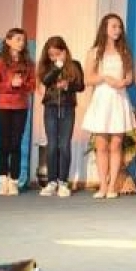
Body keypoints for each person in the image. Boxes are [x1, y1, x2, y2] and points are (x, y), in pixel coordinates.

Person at [82, 14, 136, 199]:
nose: (117, 30)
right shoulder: (94, 52)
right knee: (101, 144)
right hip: (102, 99)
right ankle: (103, 185)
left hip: (118, 99)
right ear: (104, 28)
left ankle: (113, 185)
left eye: (119, 27)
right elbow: (88, 79)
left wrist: (123, 82)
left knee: (116, 143)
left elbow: (130, 77)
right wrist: (105, 78)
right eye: (114, 26)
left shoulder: (125, 52)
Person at [37, 36, 85, 197]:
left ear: (64, 51)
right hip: (50, 107)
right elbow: (46, 80)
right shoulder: (46, 66)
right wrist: (57, 66)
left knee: (64, 145)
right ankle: (51, 182)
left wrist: (67, 86)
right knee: (52, 144)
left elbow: (81, 86)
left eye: (57, 54)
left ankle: (63, 182)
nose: (54, 57)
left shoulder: (75, 65)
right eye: (51, 55)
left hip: (67, 107)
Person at [0, 28, 36, 196]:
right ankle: (2, 179)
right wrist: (10, 84)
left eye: (23, 40)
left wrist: (22, 84)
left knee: (16, 143)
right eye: (18, 39)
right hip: (3, 106)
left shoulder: (29, 63)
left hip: (21, 107)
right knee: (4, 143)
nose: (21, 43)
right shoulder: (0, 62)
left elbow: (32, 85)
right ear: (8, 41)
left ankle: (14, 180)